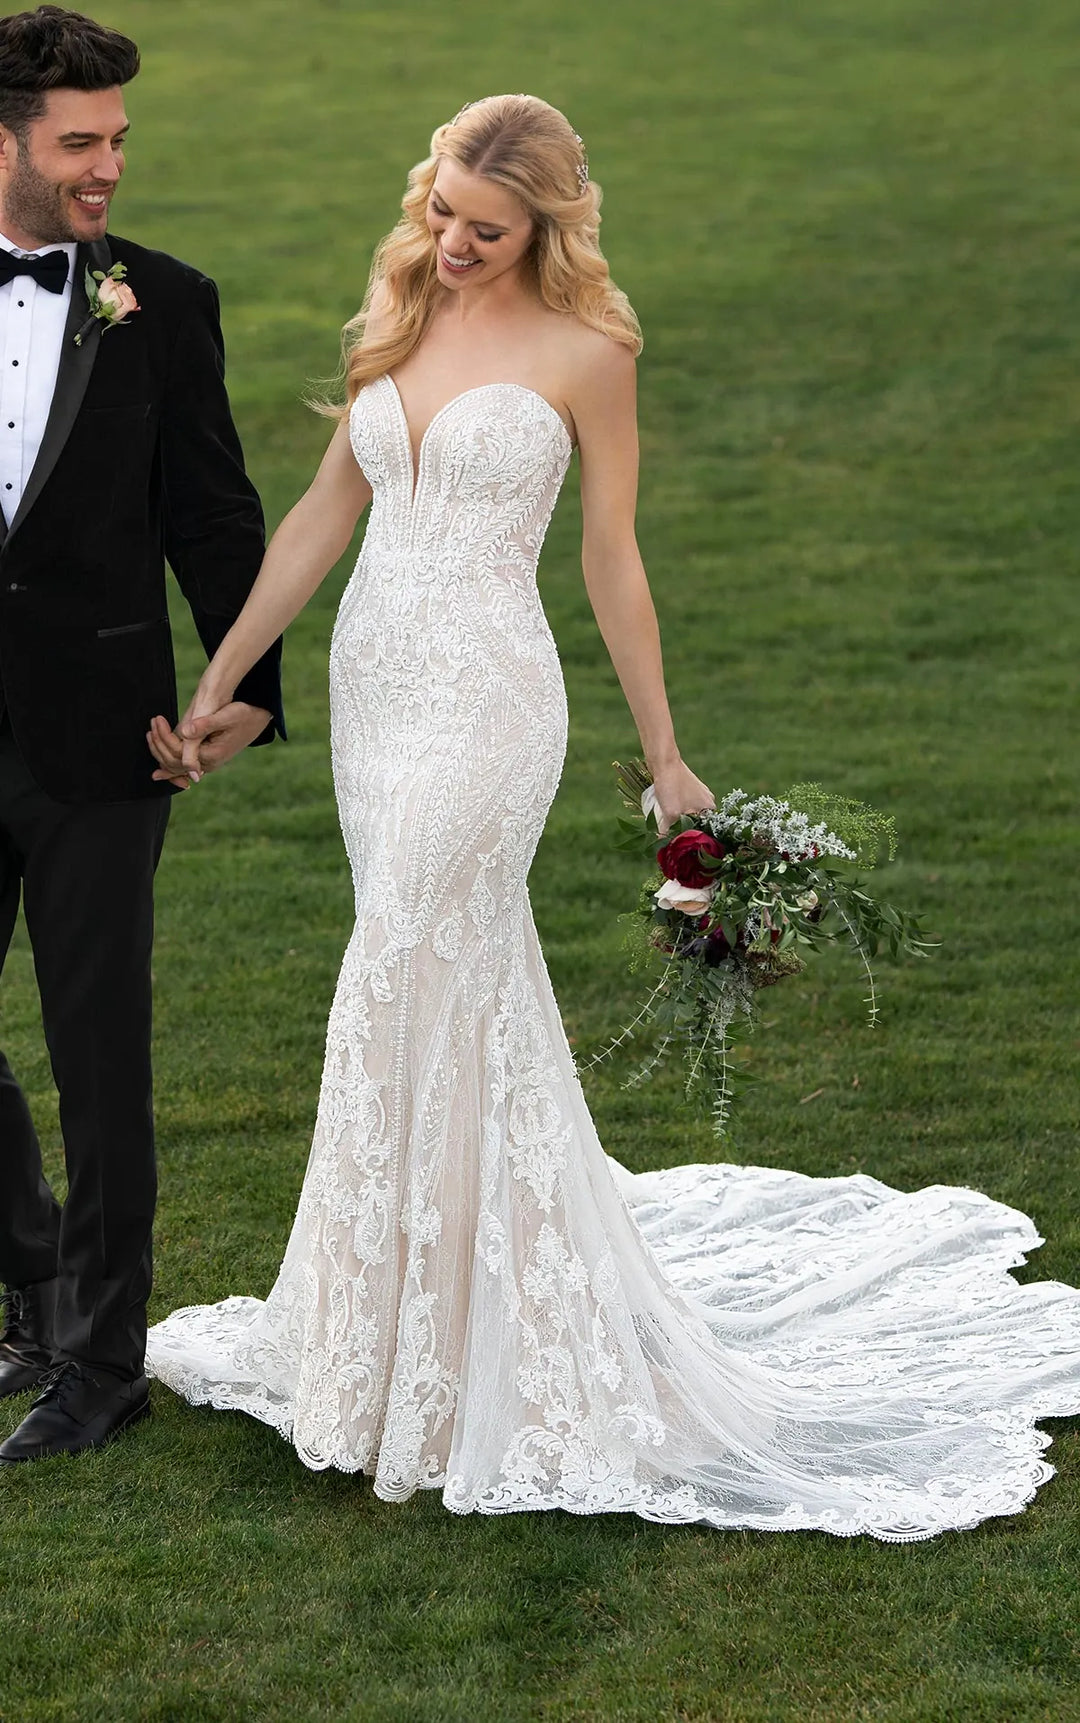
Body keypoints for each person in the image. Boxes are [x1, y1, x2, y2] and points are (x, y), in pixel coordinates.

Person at [145, 95, 1080, 1537]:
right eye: (443, 212)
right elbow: (320, 520)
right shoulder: (393, 314)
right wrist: (222, 682)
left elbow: (612, 558)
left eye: (487, 228)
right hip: (381, 695)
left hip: (493, 706)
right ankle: (403, 1338)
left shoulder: (593, 352)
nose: (453, 243)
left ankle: (443, 1356)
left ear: (548, 228)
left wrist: (667, 753)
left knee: (400, 962)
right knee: (445, 990)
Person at [0, 5, 283, 1466]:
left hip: (109, 735)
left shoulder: (160, 302)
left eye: (118, 139)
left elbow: (215, 511)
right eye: (77, 143)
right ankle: (37, 1277)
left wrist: (246, 681)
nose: (107, 167)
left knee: (96, 1053)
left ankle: (101, 1364)